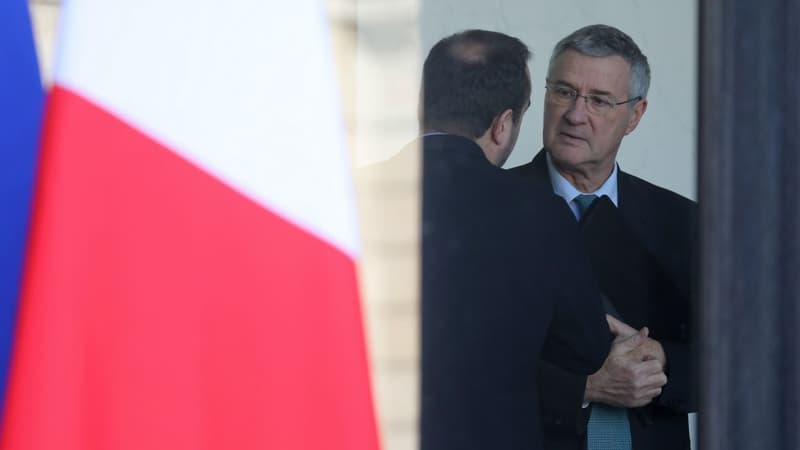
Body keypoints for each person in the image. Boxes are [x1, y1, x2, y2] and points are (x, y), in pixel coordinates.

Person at [413, 29, 621, 450]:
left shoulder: (342, 197)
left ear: (421, 103)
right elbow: (587, 353)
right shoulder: (541, 214)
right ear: (503, 124)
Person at [510, 24, 696, 450]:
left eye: (598, 100)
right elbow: (461, 360)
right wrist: (584, 387)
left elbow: (731, 359)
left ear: (635, 115)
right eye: (564, 92)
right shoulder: (487, 208)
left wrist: (662, 360)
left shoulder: (682, 221)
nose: (576, 114)